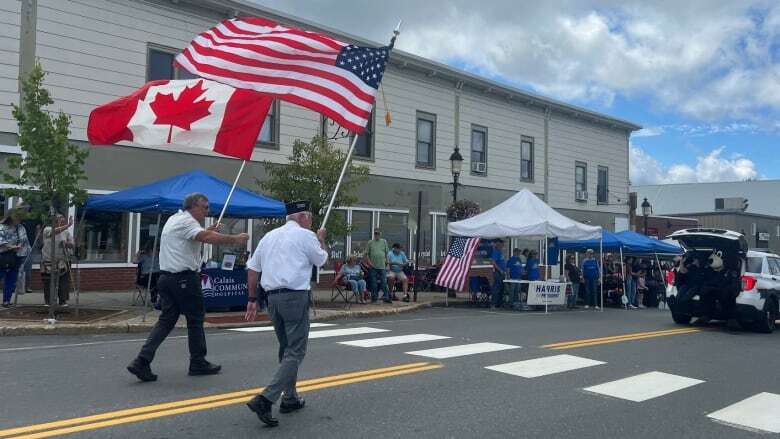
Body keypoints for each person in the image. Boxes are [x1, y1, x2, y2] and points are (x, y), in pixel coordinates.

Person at [127, 193, 249, 382]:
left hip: (167, 278)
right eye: (205, 207)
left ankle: (142, 360)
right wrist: (235, 239)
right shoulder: (186, 222)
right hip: (183, 279)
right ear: (193, 206)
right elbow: (206, 237)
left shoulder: (175, 219)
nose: (208, 211)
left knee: (167, 320)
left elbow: (192, 238)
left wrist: (206, 231)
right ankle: (198, 361)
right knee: (195, 318)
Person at [244, 201, 328, 427]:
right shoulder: (306, 235)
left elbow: (253, 269)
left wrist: (252, 299)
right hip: (294, 296)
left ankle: (289, 397)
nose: (310, 221)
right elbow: (320, 260)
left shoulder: (269, 237)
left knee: (286, 348)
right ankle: (266, 398)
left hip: (272, 298)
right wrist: (321, 238)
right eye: (309, 217)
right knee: (296, 350)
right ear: (302, 217)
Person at [40, 214, 74, 307]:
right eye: (60, 219)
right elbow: (54, 232)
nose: (62, 221)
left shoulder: (66, 232)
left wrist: (68, 244)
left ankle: (62, 301)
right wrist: (68, 225)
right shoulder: (47, 229)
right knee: (48, 282)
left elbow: (72, 244)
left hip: (62, 260)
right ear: (54, 221)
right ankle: (48, 301)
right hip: (48, 260)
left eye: (63, 219)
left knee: (63, 282)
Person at [0, 209, 28, 307]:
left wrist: (20, 247)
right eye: (17, 217)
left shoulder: (20, 227)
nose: (19, 219)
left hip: (16, 257)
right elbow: (1, 241)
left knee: (11, 280)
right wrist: (12, 247)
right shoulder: (1, 227)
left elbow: (24, 239)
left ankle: (6, 300)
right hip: (3, 255)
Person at [364, 228, 391, 303]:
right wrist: (369, 263)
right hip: (373, 266)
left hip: (382, 266)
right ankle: (374, 298)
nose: (377, 235)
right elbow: (366, 254)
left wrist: (388, 264)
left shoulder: (384, 241)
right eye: (375, 233)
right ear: (374, 234)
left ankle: (386, 297)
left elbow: (387, 254)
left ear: (380, 234)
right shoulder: (370, 242)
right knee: (373, 283)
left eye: (378, 233)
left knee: (384, 282)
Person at [490, 239, 506, 309]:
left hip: (502, 273)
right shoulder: (496, 252)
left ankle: (499, 304)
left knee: (501, 289)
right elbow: (493, 262)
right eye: (501, 244)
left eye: (503, 244)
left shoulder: (500, 252)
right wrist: (500, 270)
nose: (502, 245)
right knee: (497, 288)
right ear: (498, 244)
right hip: (497, 273)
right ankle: (493, 304)